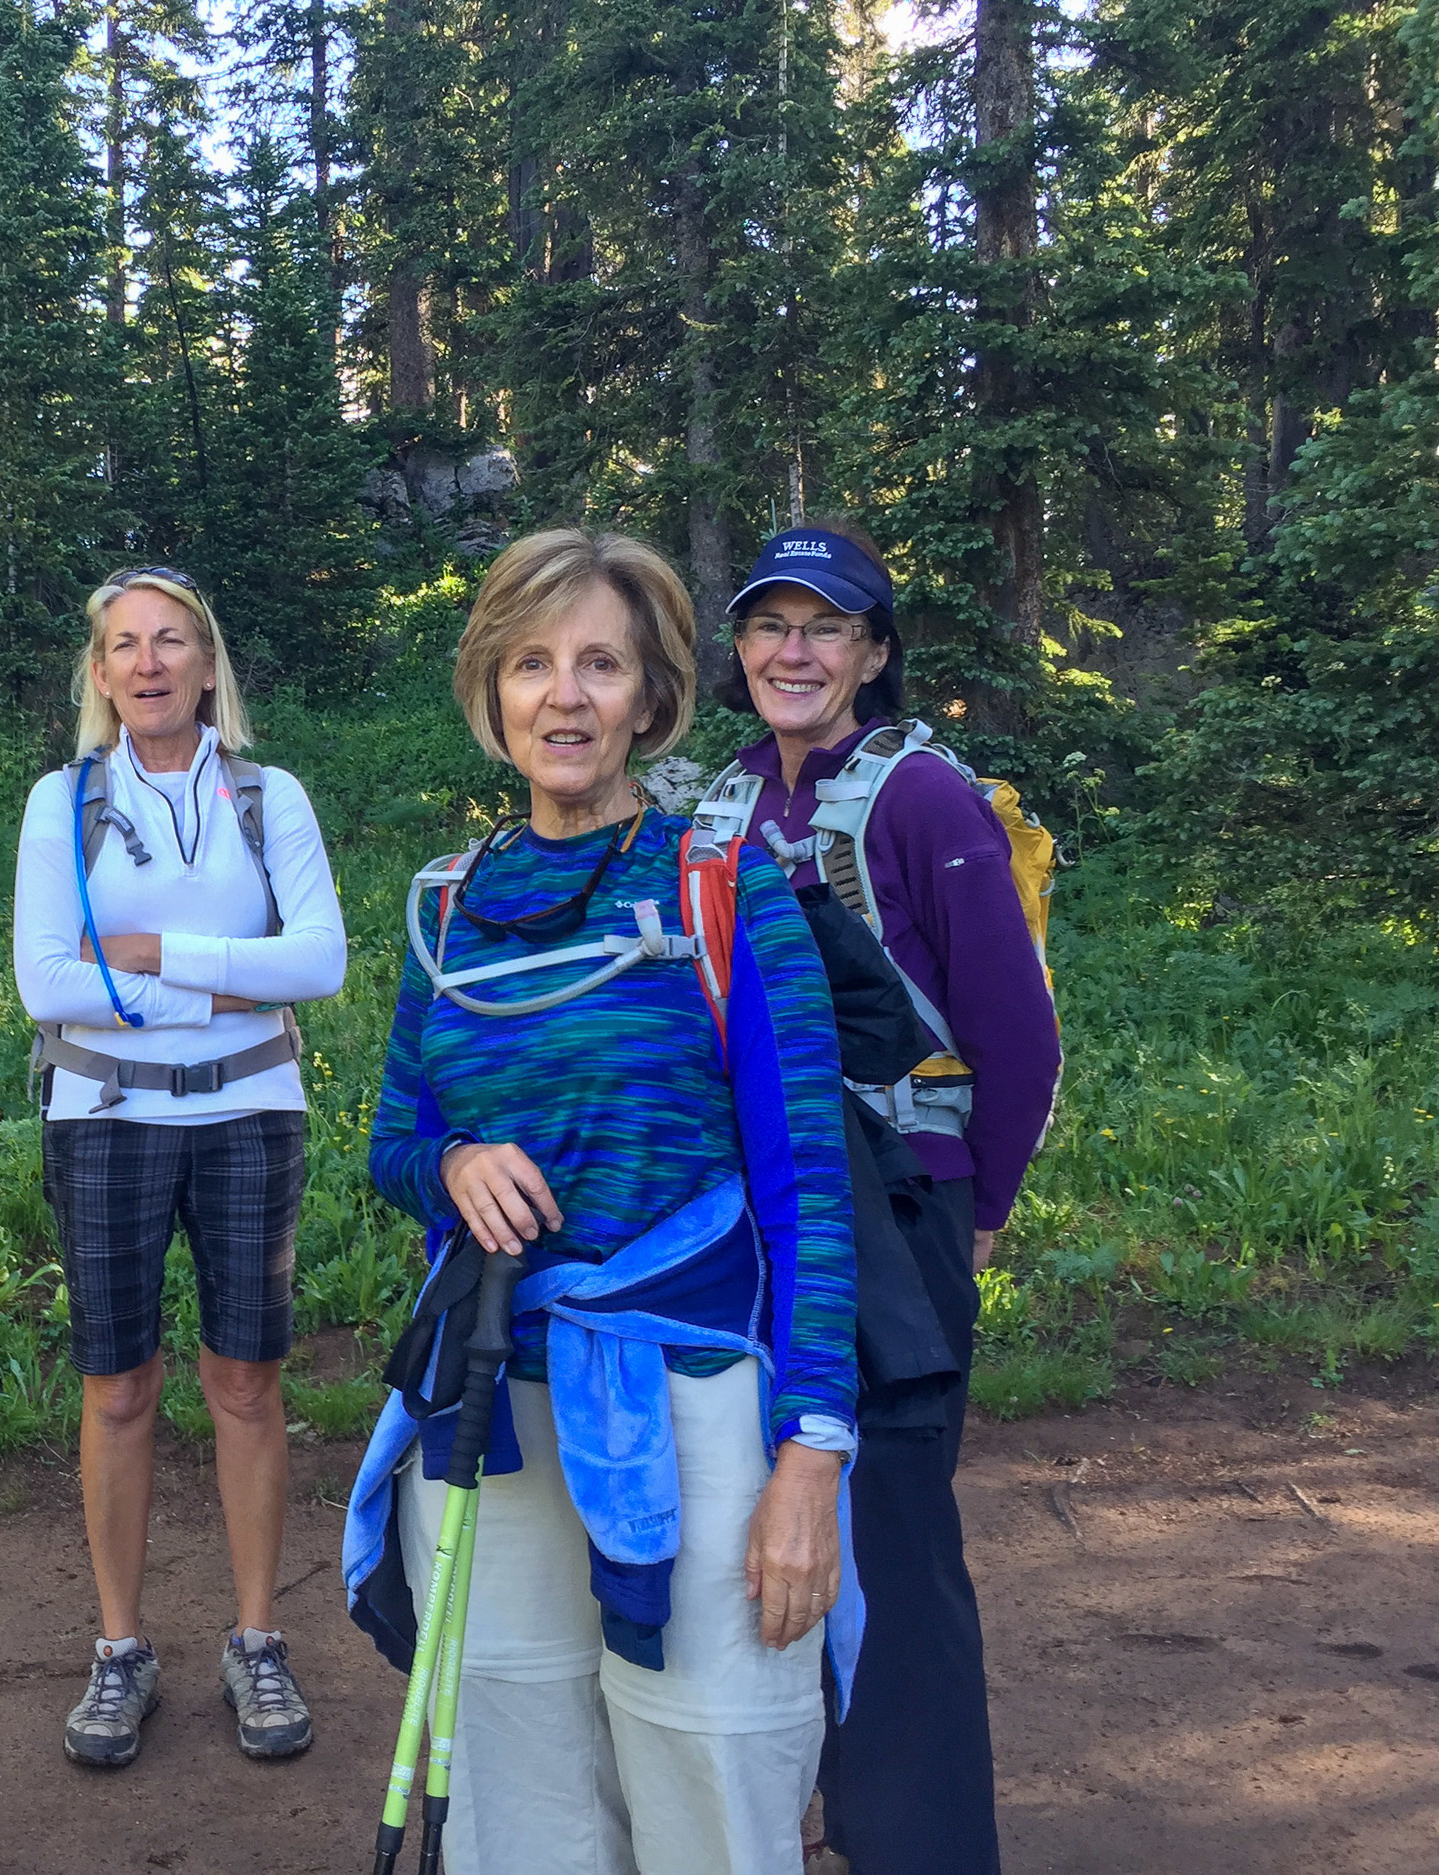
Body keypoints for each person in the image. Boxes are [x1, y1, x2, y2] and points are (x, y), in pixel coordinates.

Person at [341, 528, 862, 1875]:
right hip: (493, 1406)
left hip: (694, 1406)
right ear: (491, 691)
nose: (564, 695)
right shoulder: (446, 909)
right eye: (531, 662)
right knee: (517, 1799)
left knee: (713, 1773)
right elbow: (397, 1132)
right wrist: (451, 1163)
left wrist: (813, 1451)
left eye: (599, 664)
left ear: (652, 694)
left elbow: (808, 1181)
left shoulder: (720, 883)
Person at [702, 520, 1063, 1875]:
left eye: (824, 626)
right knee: (787, 1503)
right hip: (776, 1204)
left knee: (896, 1532)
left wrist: (987, 1195)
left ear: (874, 651)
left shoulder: (921, 797)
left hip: (905, 1197)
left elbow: (1011, 1028)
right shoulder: (724, 798)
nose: (794, 650)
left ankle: (921, 1841)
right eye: (770, 625)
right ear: (739, 651)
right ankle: (825, 1812)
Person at [12, 566, 349, 1769]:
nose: (147, 664)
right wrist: (226, 979)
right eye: (123, 646)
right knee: (117, 1386)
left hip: (252, 1114)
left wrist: (155, 956)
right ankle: (120, 1652)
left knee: (248, 1384)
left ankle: (256, 1640)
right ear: (99, 675)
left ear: (208, 666)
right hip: (99, 1117)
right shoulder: (61, 803)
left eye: (170, 642)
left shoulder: (272, 795)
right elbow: (44, 982)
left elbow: (320, 963)